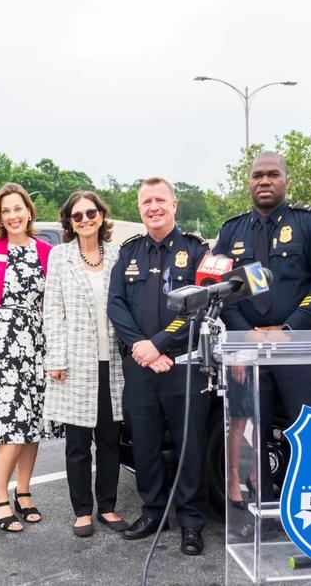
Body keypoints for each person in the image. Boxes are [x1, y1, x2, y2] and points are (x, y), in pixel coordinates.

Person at [212, 151, 311, 502]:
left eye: (272, 175)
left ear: (286, 180)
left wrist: (289, 328)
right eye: (257, 175)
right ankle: (258, 507)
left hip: (299, 347)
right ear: (249, 182)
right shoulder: (231, 231)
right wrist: (244, 332)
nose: (264, 181)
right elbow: (219, 287)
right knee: (252, 431)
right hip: (249, 348)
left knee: (310, 432)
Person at [108, 177, 210, 555]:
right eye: (146, 201)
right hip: (139, 365)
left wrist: (159, 344)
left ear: (174, 205)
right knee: (145, 444)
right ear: (139, 208)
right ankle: (153, 512)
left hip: (183, 365)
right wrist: (141, 346)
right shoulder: (129, 252)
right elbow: (116, 304)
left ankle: (191, 522)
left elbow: (203, 304)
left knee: (190, 445)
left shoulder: (197, 251)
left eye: (160, 200)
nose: (153, 207)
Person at [0, 182, 57, 533]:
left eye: (17, 209)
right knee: (11, 425)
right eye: (6, 211)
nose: (12, 216)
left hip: (36, 340)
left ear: (29, 211)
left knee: (32, 423)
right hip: (2, 341)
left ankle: (23, 491)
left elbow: (53, 296)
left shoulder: (45, 250)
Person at [43, 191, 128, 538]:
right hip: (75, 362)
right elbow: (53, 311)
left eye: (90, 213)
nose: (85, 220)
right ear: (69, 222)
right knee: (78, 443)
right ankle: (82, 510)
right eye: (77, 216)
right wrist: (56, 358)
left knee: (110, 440)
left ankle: (107, 506)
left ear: (101, 216)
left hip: (114, 363)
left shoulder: (118, 255)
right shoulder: (59, 257)